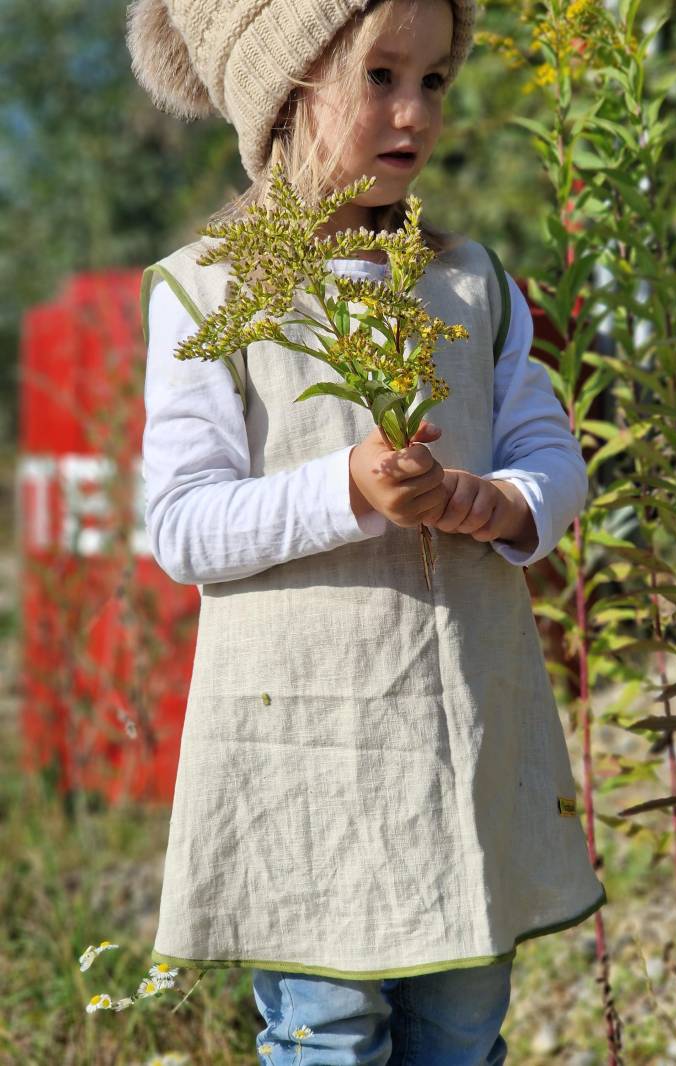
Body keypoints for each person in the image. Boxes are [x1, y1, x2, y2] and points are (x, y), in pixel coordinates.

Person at [127, 0, 607, 1062]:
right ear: (281, 91)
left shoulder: (469, 284)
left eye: (433, 80)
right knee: (327, 1035)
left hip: (458, 747)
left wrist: (509, 503)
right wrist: (345, 485)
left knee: (463, 1027)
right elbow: (182, 523)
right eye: (381, 75)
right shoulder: (206, 292)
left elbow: (547, 451)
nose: (414, 111)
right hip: (304, 758)